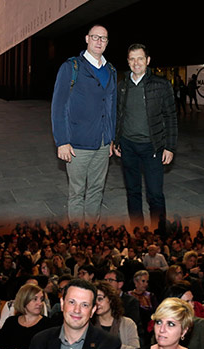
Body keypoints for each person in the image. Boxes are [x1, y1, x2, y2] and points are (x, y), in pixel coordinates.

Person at [51, 25, 116, 222]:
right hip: (77, 144)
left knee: (97, 189)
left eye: (103, 38)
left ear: (107, 43)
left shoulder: (110, 70)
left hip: (103, 144)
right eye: (95, 37)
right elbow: (58, 106)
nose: (99, 41)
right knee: (77, 192)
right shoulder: (71, 67)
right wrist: (62, 141)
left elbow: (111, 107)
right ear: (87, 38)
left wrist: (111, 138)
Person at [115, 45, 177, 229]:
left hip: (153, 147)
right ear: (128, 62)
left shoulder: (162, 85)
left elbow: (171, 117)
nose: (136, 63)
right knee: (133, 191)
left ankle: (159, 232)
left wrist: (170, 147)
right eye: (132, 59)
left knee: (155, 194)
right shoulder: (123, 86)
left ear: (148, 60)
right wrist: (116, 141)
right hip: (128, 146)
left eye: (140, 58)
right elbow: (119, 115)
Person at [0, 283, 50, 349]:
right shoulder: (11, 322)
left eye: (41, 299)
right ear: (24, 299)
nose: (39, 303)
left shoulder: (48, 325)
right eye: (35, 299)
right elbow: (1, 346)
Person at [93, 282, 139, 349]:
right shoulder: (88, 325)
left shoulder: (127, 323)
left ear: (110, 299)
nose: (96, 303)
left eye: (100, 299)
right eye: (93, 300)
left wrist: (110, 346)